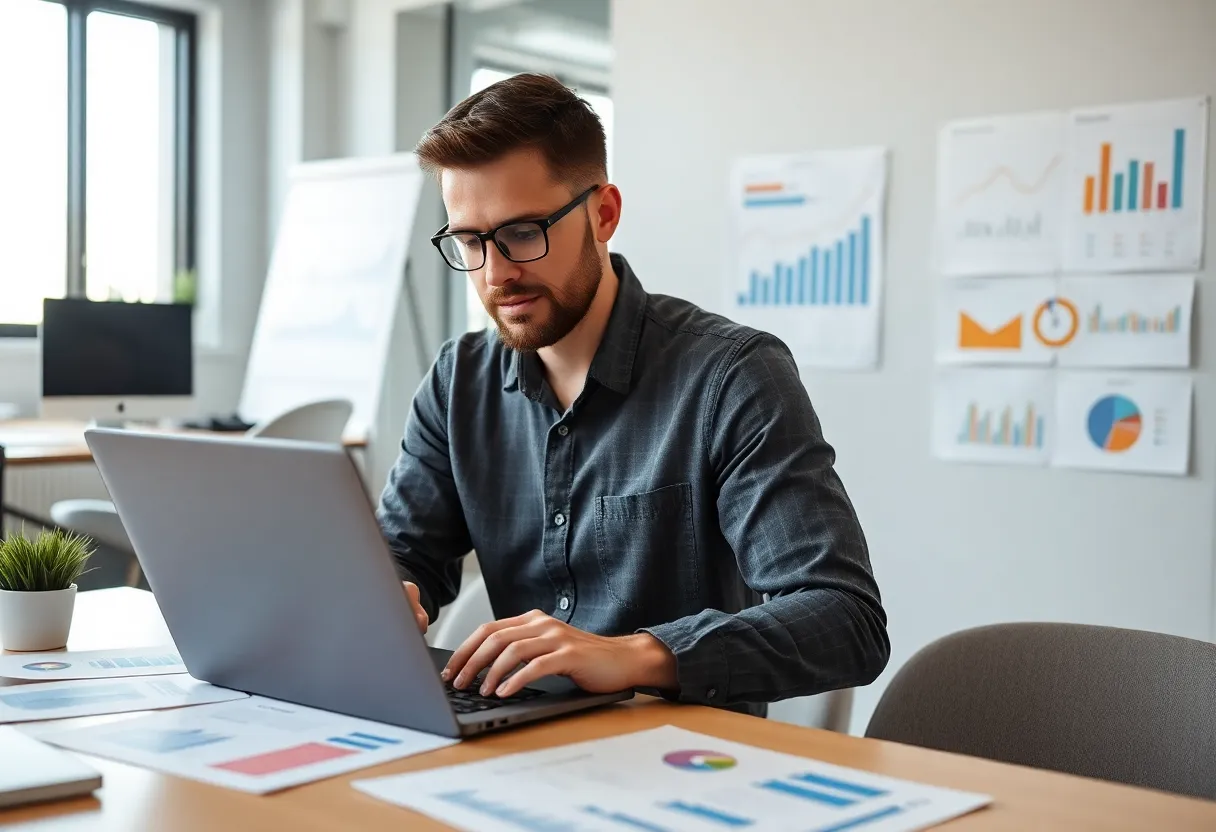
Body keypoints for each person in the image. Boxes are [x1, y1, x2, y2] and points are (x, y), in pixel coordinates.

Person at [377, 73, 888, 716]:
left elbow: (846, 619)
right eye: (470, 241)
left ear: (604, 214)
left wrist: (634, 655)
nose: (497, 273)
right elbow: (404, 552)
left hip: (685, 757)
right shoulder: (459, 382)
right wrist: (385, 592)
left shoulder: (732, 376)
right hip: (515, 741)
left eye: (523, 233)